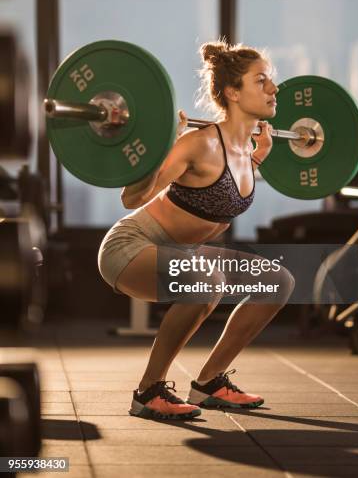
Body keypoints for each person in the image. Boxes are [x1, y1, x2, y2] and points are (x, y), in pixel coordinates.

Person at [98, 39, 295, 420]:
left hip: (184, 254)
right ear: (233, 92)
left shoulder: (246, 153)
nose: (273, 89)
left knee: (277, 282)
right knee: (208, 282)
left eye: (271, 81)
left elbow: (225, 187)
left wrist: (257, 157)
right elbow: (131, 199)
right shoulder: (198, 144)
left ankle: (209, 383)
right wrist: (162, 147)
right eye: (261, 81)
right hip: (129, 248)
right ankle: (148, 391)